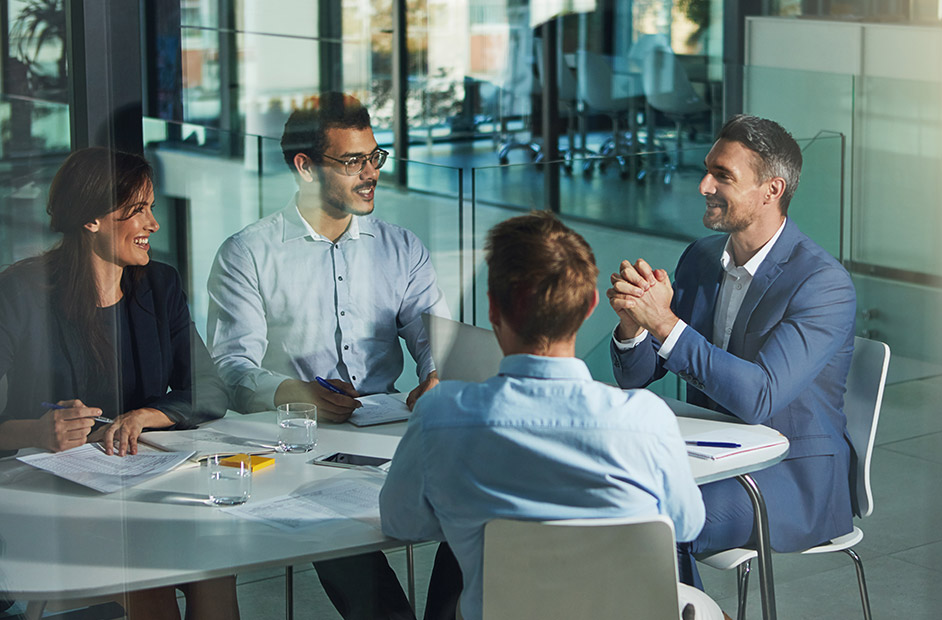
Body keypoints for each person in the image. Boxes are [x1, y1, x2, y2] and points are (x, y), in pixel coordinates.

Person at [380, 211, 706, 620]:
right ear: (589, 306)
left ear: (493, 309)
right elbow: (688, 527)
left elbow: (400, 522)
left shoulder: (439, 417)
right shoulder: (646, 420)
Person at [206, 92, 451, 620]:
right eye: (352, 162)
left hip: (391, 431)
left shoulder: (401, 247)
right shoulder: (248, 253)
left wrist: (435, 374)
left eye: (374, 157)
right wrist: (299, 395)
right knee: (337, 532)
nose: (370, 174)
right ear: (305, 168)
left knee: (481, 497)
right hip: (298, 445)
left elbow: (436, 337)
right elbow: (230, 368)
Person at [607, 115, 857, 589]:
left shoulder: (822, 284)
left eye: (723, 175)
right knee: (599, 504)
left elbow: (759, 397)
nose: (704, 185)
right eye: (707, 170)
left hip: (789, 479)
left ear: (771, 190)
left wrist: (665, 322)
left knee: (655, 521)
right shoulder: (701, 258)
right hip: (706, 457)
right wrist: (634, 324)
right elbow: (637, 377)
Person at [0, 147, 237, 619]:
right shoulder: (20, 292)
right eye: (138, 211)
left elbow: (211, 388)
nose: (153, 224)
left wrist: (147, 415)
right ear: (91, 219)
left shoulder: (160, 285)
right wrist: (37, 431)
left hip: (140, 483)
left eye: (151, 208)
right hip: (51, 492)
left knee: (214, 566)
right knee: (148, 578)